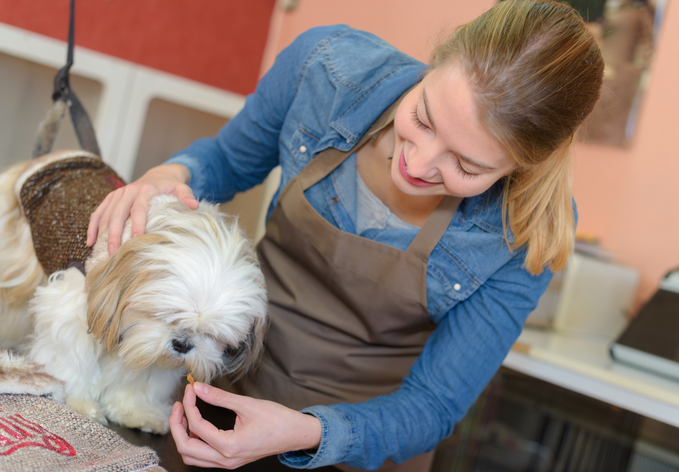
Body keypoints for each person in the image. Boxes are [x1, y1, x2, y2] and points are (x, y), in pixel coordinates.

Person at [86, 0, 604, 470]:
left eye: (466, 165)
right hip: (219, 396)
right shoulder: (325, 71)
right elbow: (224, 162)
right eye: (423, 117)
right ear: (436, 61)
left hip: (353, 454)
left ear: (523, 167)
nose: (418, 163)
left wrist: (309, 431)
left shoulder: (525, 233)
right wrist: (169, 178)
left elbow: (433, 405)